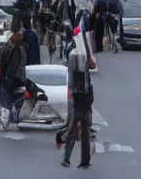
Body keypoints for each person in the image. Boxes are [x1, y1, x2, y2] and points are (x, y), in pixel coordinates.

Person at [62, 18, 96, 168]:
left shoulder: (76, 53)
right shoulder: (76, 55)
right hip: (83, 97)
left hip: (81, 97)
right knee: (80, 130)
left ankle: (71, 159)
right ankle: (78, 159)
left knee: (76, 129)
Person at [0, 32, 27, 132]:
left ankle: (5, 122)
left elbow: (6, 64)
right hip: (14, 79)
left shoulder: (9, 48)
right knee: (11, 101)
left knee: (7, 102)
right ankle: (9, 120)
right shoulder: (17, 48)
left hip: (11, 79)